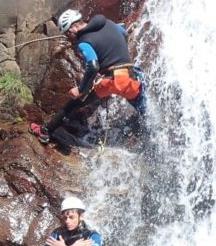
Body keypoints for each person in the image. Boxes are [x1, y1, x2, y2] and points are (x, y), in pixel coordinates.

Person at [29, 9, 146, 145]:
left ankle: (45, 131)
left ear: (74, 26)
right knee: (141, 105)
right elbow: (124, 34)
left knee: (75, 102)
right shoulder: (109, 23)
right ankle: (147, 130)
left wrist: (81, 89)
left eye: (68, 33)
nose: (69, 37)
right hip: (130, 77)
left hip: (112, 81)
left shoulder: (84, 42)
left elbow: (93, 65)